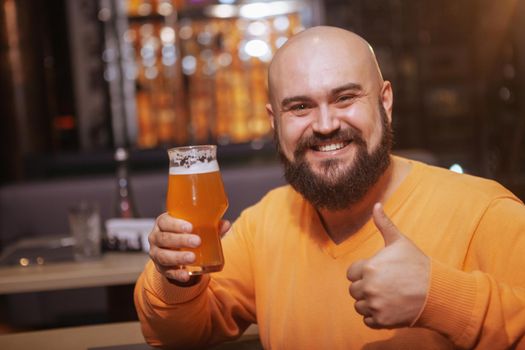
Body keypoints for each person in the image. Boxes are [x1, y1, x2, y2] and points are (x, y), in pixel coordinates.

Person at [134, 26, 525, 349]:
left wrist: (438, 296)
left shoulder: (485, 211)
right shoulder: (264, 223)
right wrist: (174, 279)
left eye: (345, 98)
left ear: (384, 103)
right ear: (275, 121)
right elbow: (175, 336)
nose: (324, 125)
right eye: (300, 107)